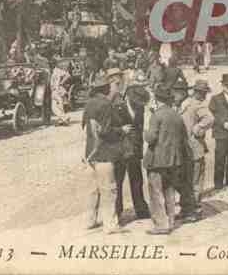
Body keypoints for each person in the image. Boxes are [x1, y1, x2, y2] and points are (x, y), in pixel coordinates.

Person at [143, 85, 199, 235]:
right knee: (169, 191)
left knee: (156, 193)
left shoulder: (157, 115)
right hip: (174, 160)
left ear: (156, 99)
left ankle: (161, 225)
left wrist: (145, 132)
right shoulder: (176, 115)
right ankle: (171, 221)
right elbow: (183, 137)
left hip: (157, 161)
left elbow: (151, 138)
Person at [82, 68, 130, 234]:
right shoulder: (106, 105)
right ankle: (110, 225)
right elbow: (106, 131)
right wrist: (122, 130)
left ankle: (90, 220)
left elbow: (86, 127)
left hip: (89, 153)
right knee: (109, 190)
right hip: (104, 153)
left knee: (93, 190)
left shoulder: (89, 104)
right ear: (106, 89)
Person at [114, 81, 151, 221]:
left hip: (135, 150)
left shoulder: (140, 108)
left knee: (137, 180)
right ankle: (117, 212)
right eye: (137, 101)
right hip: (121, 151)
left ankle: (141, 209)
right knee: (118, 181)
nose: (139, 104)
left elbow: (139, 129)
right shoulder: (117, 107)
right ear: (129, 97)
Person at [179, 79, 215, 204]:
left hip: (186, 148)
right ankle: (192, 208)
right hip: (194, 148)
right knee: (194, 180)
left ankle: (190, 208)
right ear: (199, 93)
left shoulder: (186, 102)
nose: (204, 96)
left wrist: (197, 128)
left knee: (189, 180)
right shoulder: (199, 104)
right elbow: (210, 119)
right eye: (203, 93)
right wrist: (198, 129)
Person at [49, 58, 72, 126]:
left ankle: (65, 118)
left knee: (54, 107)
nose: (51, 65)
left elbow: (68, 75)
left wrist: (61, 83)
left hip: (57, 90)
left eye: (52, 64)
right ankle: (62, 120)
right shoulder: (54, 71)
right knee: (59, 106)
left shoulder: (58, 70)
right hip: (55, 90)